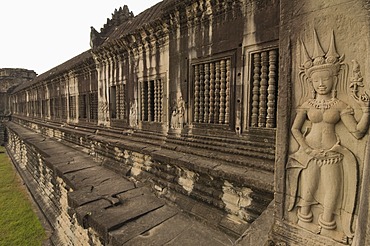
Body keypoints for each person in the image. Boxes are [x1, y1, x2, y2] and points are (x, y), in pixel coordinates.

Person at [287, 31, 370, 244]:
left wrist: (367, 110)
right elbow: (295, 129)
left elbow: (358, 132)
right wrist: (306, 149)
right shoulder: (307, 104)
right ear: (311, 82)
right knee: (308, 188)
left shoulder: (340, 105)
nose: (321, 83)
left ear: (334, 79)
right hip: (311, 152)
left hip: (333, 152)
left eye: (325, 79)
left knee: (332, 191)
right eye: (316, 80)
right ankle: (304, 219)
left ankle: (327, 225)